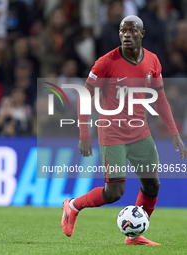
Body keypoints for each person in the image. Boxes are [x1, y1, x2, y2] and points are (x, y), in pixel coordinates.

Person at [61, 15, 187, 246]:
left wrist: (174, 133)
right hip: (112, 133)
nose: (126, 35)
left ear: (142, 34)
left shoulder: (153, 61)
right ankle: (73, 205)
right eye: (122, 31)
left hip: (140, 132)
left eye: (131, 30)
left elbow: (160, 99)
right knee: (115, 192)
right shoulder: (105, 62)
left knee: (152, 184)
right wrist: (83, 134)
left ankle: (134, 234)